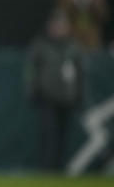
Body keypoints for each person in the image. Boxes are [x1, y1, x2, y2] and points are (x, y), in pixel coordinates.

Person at [25, 11, 84, 172]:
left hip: (68, 99)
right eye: (56, 25)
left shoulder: (73, 46)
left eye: (62, 26)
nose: (59, 29)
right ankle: (47, 170)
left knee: (64, 138)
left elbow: (80, 74)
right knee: (49, 137)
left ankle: (61, 169)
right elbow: (32, 72)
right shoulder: (41, 45)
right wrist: (33, 92)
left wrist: (78, 95)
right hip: (48, 98)